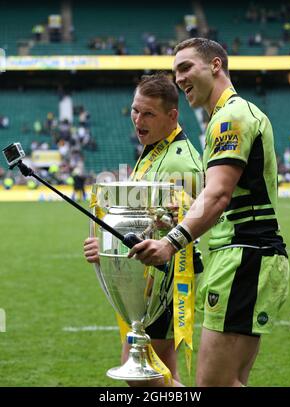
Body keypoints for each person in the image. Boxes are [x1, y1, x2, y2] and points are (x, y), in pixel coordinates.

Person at [129, 38, 290, 387]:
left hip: (245, 255)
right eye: (176, 72)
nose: (179, 78)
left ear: (215, 65)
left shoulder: (230, 116)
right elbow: (218, 198)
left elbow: (218, 194)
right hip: (238, 257)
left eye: (186, 67)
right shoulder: (225, 117)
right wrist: (172, 219)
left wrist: (170, 243)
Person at [83, 73, 203, 386]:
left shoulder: (181, 163)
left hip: (168, 282)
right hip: (150, 276)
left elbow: (196, 225)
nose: (138, 119)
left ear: (172, 116)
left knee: (144, 376)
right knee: (154, 374)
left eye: (148, 113)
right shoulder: (154, 150)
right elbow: (145, 221)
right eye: (136, 110)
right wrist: (107, 251)